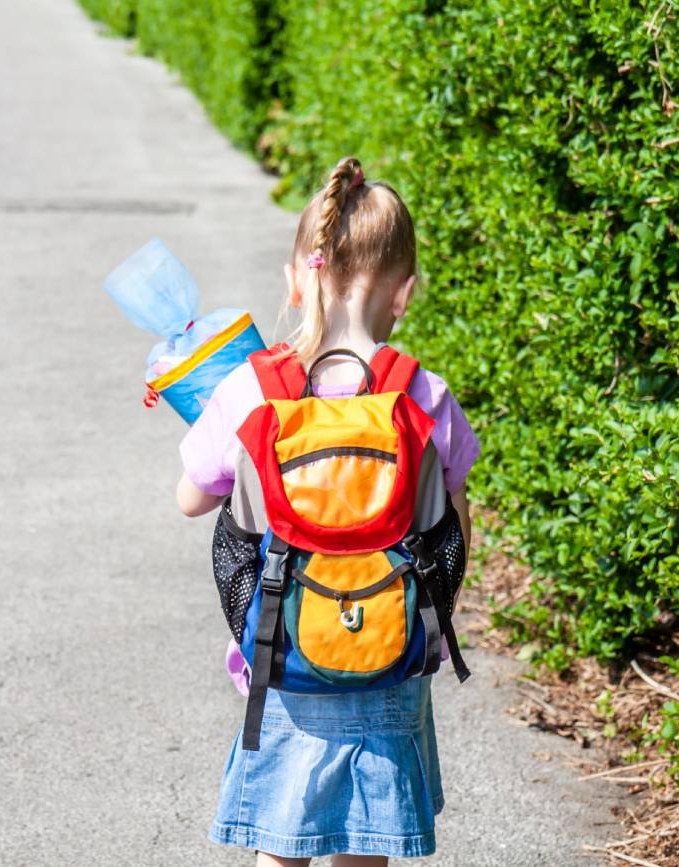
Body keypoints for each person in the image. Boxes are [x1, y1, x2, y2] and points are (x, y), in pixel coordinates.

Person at [175, 156, 480, 865]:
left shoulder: (253, 388)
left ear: (295, 278)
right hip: (394, 658)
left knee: (280, 847)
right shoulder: (423, 395)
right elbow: (455, 524)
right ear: (405, 293)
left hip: (284, 664)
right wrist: (433, 623)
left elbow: (191, 498)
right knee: (363, 848)